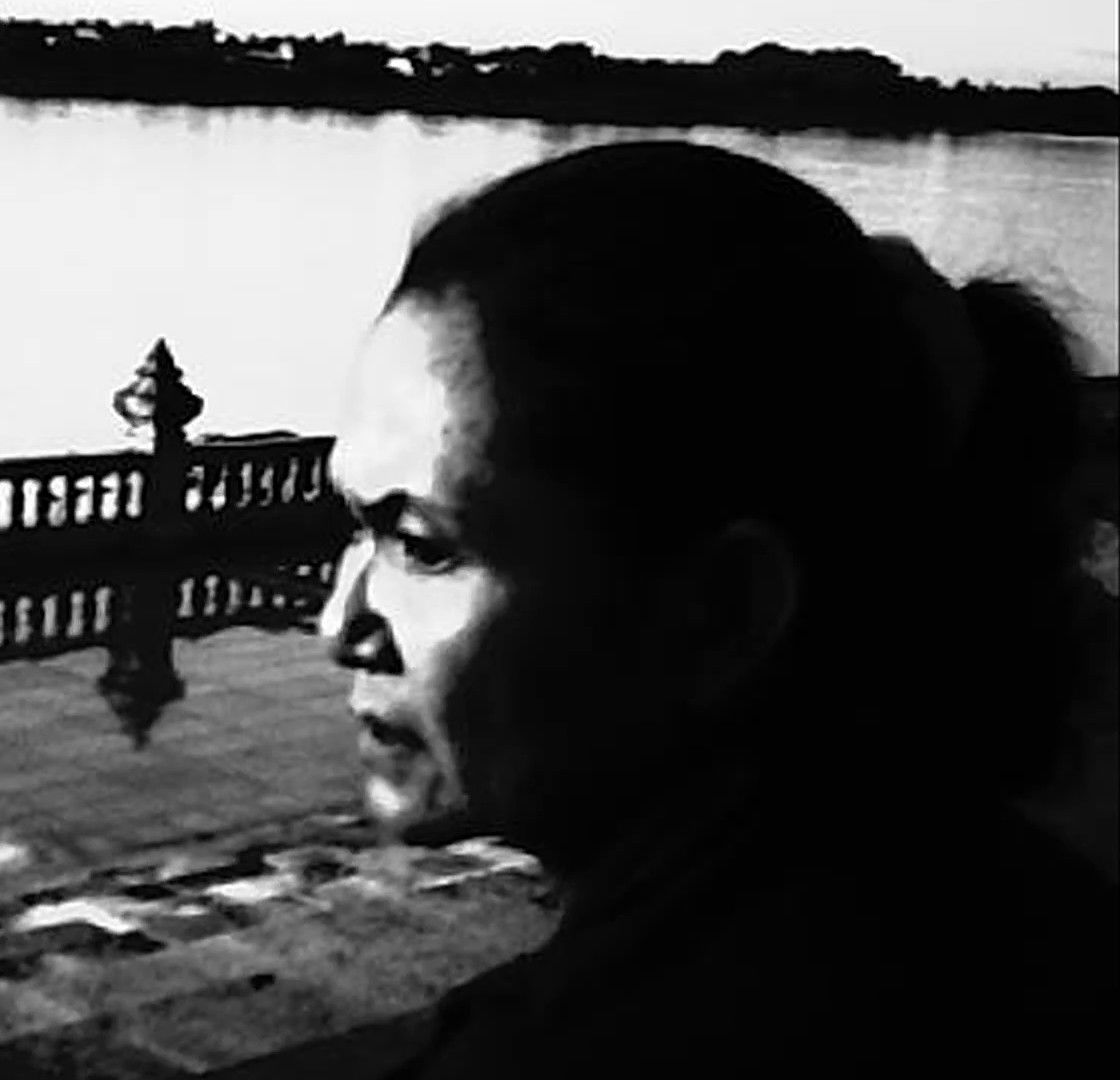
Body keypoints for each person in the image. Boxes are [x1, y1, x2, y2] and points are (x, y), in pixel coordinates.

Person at [317, 141, 1117, 1077]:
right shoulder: (1032, 922)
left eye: (423, 546)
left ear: (723, 612)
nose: (340, 626)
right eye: (357, 528)